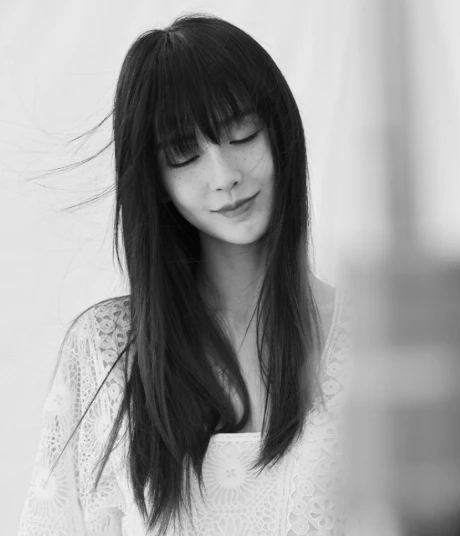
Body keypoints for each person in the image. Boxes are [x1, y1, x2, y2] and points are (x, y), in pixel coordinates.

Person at [18, 12, 350, 536]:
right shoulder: (106, 350)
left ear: (281, 129)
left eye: (242, 133)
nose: (224, 176)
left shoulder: (373, 342)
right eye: (184, 155)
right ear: (156, 181)